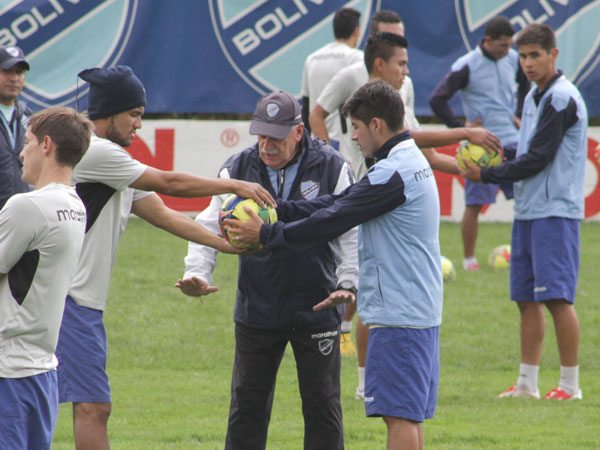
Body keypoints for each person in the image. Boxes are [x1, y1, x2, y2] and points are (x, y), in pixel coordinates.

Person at [55, 65, 275, 450]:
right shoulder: (98, 150)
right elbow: (170, 183)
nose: (140, 124)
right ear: (109, 112)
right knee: (92, 407)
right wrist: (234, 184)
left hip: (75, 300)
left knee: (59, 402)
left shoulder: (113, 162)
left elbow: (164, 215)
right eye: (134, 114)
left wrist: (226, 246)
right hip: (69, 299)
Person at [226, 80, 443, 450]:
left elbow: (333, 219)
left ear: (376, 125)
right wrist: (278, 209)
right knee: (408, 416)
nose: (353, 137)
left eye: (355, 127)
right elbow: (335, 202)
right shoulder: (407, 162)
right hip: (417, 308)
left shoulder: (391, 174)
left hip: (399, 312)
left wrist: (265, 234)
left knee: (399, 417)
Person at [313, 30, 500, 399]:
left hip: (386, 215)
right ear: (379, 63)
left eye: (406, 63)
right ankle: (364, 376)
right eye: (401, 63)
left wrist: (469, 170)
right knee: (367, 293)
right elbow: (318, 113)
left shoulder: (398, 113)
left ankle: (365, 372)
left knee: (372, 296)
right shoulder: (356, 84)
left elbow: (416, 145)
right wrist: (327, 159)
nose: (406, 70)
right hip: (365, 203)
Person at [177, 91, 358, 450]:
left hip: (318, 306)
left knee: (323, 408)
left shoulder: (332, 167)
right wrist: (198, 273)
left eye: (275, 136)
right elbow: (208, 223)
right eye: (261, 135)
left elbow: (351, 229)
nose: (266, 144)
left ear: (299, 131)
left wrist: (348, 281)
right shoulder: (237, 169)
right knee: (247, 408)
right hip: (257, 309)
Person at [461, 23, 587, 400]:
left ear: (553, 54)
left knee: (557, 299)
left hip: (555, 213)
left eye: (536, 55)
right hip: (529, 211)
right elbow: (526, 151)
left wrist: (487, 172)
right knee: (526, 299)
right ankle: (527, 384)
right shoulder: (534, 94)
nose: (528, 63)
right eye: (524, 57)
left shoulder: (562, 98)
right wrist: (495, 152)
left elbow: (538, 159)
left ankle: (570, 386)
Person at [0, 107, 93, 449]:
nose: (21, 153)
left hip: (8, 369)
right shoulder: (75, 206)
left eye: (27, 142)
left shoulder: (27, 206)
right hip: (41, 371)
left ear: (47, 145)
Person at [430, 16, 529, 271]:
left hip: (514, 142)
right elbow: (437, 99)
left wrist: (519, 113)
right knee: (474, 205)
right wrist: (460, 128)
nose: (507, 50)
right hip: (482, 147)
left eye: (509, 45)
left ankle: (525, 255)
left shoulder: (513, 59)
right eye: (502, 45)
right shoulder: (466, 65)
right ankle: (469, 260)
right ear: (487, 41)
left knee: (527, 200)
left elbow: (526, 84)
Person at [301, 7, 362, 139]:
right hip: (346, 141)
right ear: (357, 30)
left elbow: (306, 106)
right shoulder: (357, 58)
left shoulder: (312, 59)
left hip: (317, 139)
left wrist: (307, 141)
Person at [0, 45, 31, 210]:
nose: (14, 78)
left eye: (19, 72)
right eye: (7, 71)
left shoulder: (28, 116)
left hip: (21, 215)